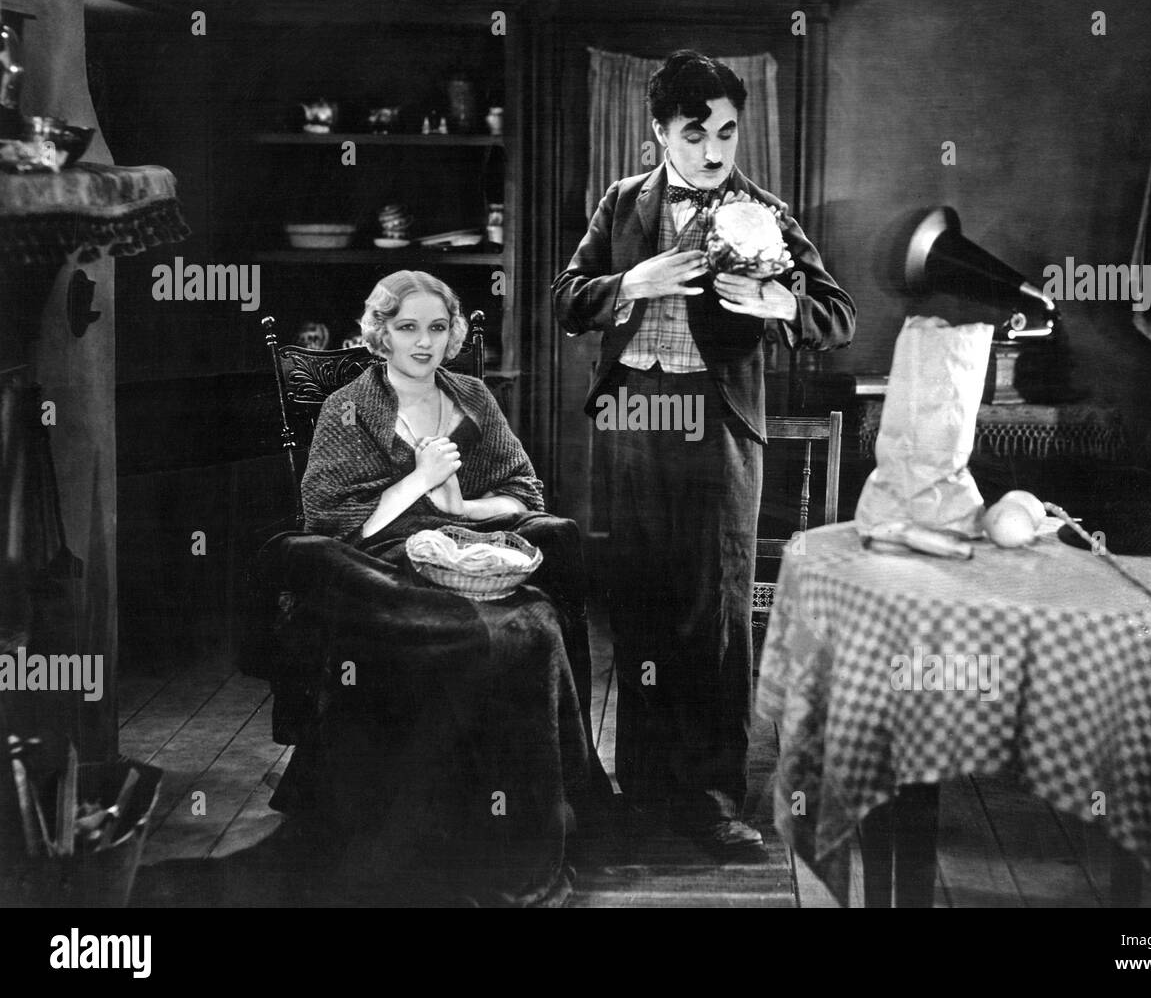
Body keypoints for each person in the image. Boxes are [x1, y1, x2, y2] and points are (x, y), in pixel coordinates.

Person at [553, 51, 856, 857]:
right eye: (697, 133)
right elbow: (564, 299)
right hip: (631, 417)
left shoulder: (765, 210)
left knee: (716, 609)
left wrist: (780, 298)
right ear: (658, 132)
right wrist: (634, 281)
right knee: (641, 600)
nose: (716, 150)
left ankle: (717, 798)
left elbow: (838, 312)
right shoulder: (621, 205)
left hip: (717, 423)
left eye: (727, 131)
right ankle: (648, 790)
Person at [262, 270, 604, 906]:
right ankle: (424, 829)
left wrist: (466, 510)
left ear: (453, 337)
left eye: (437, 328)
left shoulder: (474, 397)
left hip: (472, 556)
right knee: (457, 640)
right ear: (380, 334)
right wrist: (418, 481)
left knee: (532, 629)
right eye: (407, 327)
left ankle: (521, 821)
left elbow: (523, 494)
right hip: (380, 564)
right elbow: (330, 523)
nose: (423, 342)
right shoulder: (349, 408)